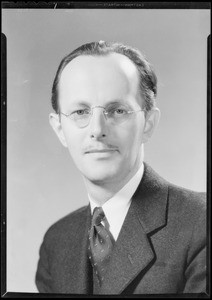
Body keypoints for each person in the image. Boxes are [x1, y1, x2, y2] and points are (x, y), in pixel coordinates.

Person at [35, 41, 206, 295]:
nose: (97, 130)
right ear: (60, 129)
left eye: (117, 110)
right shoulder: (56, 241)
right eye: (80, 111)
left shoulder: (201, 223)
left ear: (148, 123)